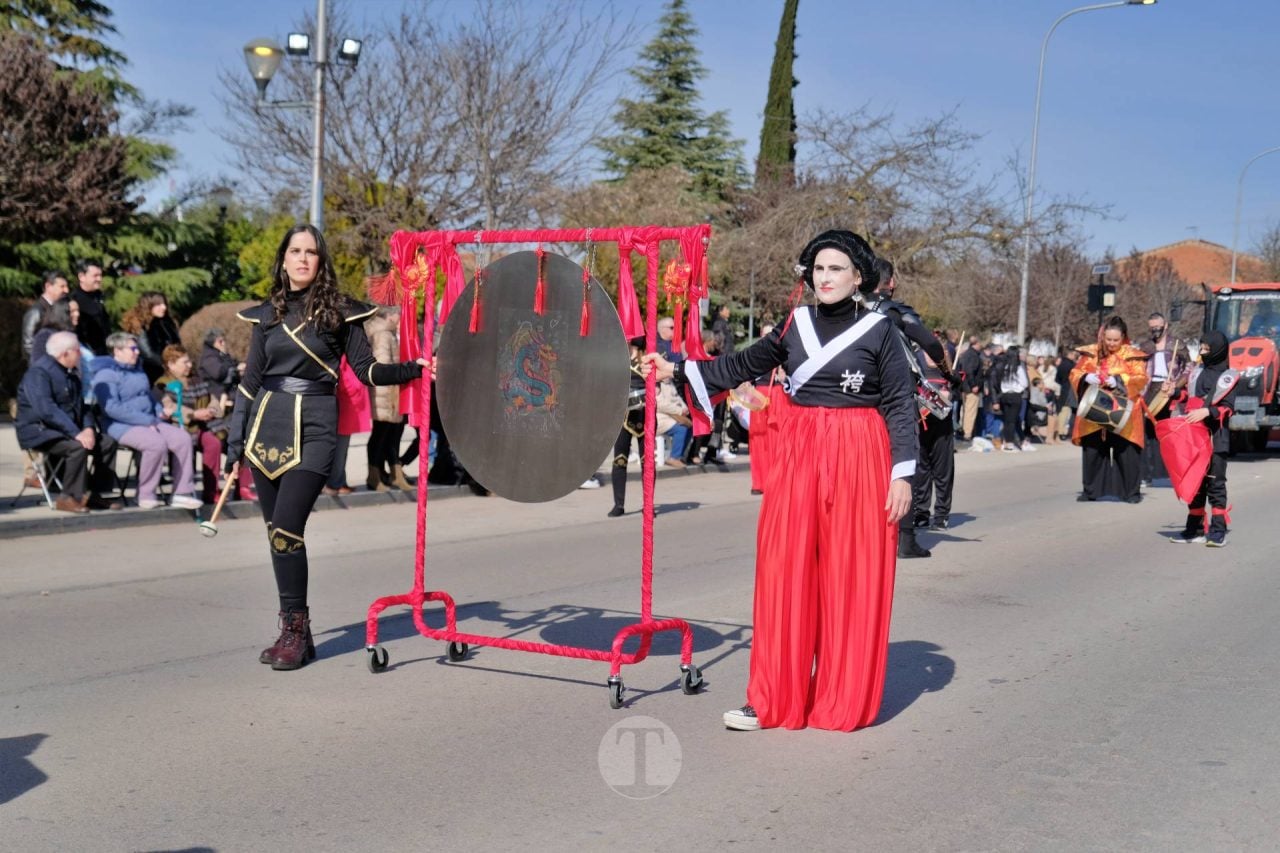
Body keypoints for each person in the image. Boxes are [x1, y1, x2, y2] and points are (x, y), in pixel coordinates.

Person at [643, 229, 916, 733]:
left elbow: (900, 402)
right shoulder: (796, 323)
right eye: (819, 268)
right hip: (800, 450)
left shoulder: (880, 331)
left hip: (861, 453)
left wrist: (902, 476)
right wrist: (675, 367)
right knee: (783, 570)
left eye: (838, 269)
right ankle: (770, 699)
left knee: (849, 576)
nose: (827, 277)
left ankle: (841, 700)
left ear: (859, 277)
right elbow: (741, 365)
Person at [226, 224, 426, 671]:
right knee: (277, 537)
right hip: (267, 429)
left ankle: (294, 633)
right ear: (282, 259)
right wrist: (234, 439)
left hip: (316, 424)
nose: (301, 259)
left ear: (321, 261)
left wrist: (414, 369)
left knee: (286, 530)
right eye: (294, 251)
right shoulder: (265, 315)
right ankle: (296, 627)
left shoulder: (341, 313)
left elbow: (368, 371)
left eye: (310, 252)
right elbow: (251, 383)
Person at [869, 256, 950, 559]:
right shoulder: (895, 311)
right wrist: (947, 370)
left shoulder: (848, 309)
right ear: (890, 283)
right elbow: (930, 344)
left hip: (855, 396)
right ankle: (905, 539)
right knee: (903, 461)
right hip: (895, 395)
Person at [92, 332, 202, 510]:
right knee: (155, 444)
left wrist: (160, 412)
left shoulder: (138, 370)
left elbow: (148, 398)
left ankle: (182, 492)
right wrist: (146, 420)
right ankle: (145, 493)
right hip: (120, 425)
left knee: (182, 439)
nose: (137, 352)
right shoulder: (106, 374)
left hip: (150, 420)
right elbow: (111, 408)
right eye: (133, 348)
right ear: (117, 351)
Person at [16, 331, 121, 512]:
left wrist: (88, 428)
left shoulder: (71, 374)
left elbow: (82, 407)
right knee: (76, 447)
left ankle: (91, 493)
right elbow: (46, 410)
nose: (81, 354)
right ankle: (68, 497)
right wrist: (76, 433)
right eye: (78, 351)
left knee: (107, 443)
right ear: (65, 353)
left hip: (67, 429)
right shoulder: (39, 373)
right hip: (39, 430)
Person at [1167, 331, 1238, 546]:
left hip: (1215, 437)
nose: (1203, 352)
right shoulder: (1197, 372)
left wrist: (1207, 413)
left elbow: (1228, 408)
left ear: (1218, 350)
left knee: (1215, 484)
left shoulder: (1229, 375)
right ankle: (1195, 528)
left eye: (1208, 349)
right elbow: (1187, 398)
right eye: (1202, 348)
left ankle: (1218, 530)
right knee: (1196, 482)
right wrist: (1172, 393)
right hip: (1193, 436)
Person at [1069, 316, 1148, 502]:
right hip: (1095, 409)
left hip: (1124, 410)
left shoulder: (1133, 355)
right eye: (1108, 339)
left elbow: (1140, 378)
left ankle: (1131, 492)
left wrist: (1119, 381)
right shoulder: (1090, 353)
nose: (1111, 344)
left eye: (1116, 340)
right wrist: (1084, 377)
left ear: (1123, 337)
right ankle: (1092, 490)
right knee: (1093, 450)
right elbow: (1075, 372)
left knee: (1126, 451)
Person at [365, 306, 412, 490]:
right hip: (385, 391)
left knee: (388, 434)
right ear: (391, 315)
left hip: (388, 390)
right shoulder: (383, 334)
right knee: (381, 433)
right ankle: (374, 476)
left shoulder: (386, 332)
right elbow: (384, 364)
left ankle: (387, 474)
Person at [1139, 312, 1182, 483]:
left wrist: (1176, 384)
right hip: (1149, 390)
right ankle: (1147, 474)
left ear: (1165, 326)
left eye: (1158, 327)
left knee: (1166, 431)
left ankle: (1164, 473)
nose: (1155, 330)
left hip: (1169, 389)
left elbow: (1188, 368)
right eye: (1152, 328)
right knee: (1147, 432)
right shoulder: (1145, 346)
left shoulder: (1177, 345)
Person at [609, 337, 648, 517]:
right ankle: (619, 504)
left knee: (647, 463)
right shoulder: (619, 360)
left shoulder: (647, 361)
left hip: (645, 415)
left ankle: (648, 503)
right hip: (624, 416)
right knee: (620, 460)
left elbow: (656, 387)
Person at [122, 291, 182, 383]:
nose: (164, 307)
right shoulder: (140, 326)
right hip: (152, 374)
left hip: (172, 368)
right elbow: (148, 354)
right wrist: (169, 365)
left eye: (164, 304)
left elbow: (177, 344)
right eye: (158, 304)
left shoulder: (167, 322)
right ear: (148, 306)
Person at [21, 271, 70, 362]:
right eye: (62, 286)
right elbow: (28, 346)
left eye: (66, 286)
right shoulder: (35, 312)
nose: (66, 290)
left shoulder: (59, 310)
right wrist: (44, 366)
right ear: (48, 286)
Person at [992, 346, 1030, 452]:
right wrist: (1018, 389)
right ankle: (1009, 442)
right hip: (1015, 395)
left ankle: (1006, 441)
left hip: (1004, 395)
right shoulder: (1018, 368)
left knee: (1007, 420)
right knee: (1012, 421)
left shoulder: (1003, 367)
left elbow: (998, 382)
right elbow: (1025, 383)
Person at [69, 260, 109, 355]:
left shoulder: (98, 296)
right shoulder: (74, 300)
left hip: (103, 349)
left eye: (100, 275)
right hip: (87, 352)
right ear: (81, 277)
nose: (99, 279)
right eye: (95, 276)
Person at [198, 328, 244, 405]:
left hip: (230, 391)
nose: (223, 343)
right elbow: (220, 374)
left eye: (223, 340)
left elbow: (233, 364)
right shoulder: (208, 358)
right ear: (212, 343)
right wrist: (236, 370)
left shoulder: (220, 354)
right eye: (220, 341)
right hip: (220, 395)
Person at [956, 335, 983, 442]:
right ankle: (967, 434)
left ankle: (965, 431)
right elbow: (970, 371)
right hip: (971, 387)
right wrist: (974, 385)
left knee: (966, 411)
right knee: (970, 411)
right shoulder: (973, 356)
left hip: (964, 386)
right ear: (976, 344)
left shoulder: (966, 354)